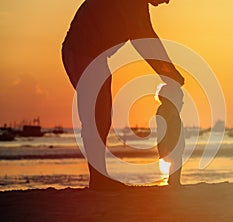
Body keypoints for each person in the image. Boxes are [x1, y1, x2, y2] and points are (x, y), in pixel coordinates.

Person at [62, 0, 184, 189]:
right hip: (80, 51)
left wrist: (169, 72)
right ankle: (98, 179)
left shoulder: (138, 6)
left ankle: (98, 177)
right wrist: (169, 72)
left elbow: (146, 37)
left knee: (102, 115)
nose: (167, 2)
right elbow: (142, 40)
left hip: (95, 56)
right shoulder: (133, 4)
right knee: (97, 115)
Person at [156, 83, 185, 186]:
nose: (182, 103)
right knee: (176, 161)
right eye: (180, 99)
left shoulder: (163, 109)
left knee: (175, 160)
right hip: (171, 140)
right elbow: (170, 128)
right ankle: (174, 180)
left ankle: (172, 179)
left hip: (169, 140)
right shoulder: (170, 111)